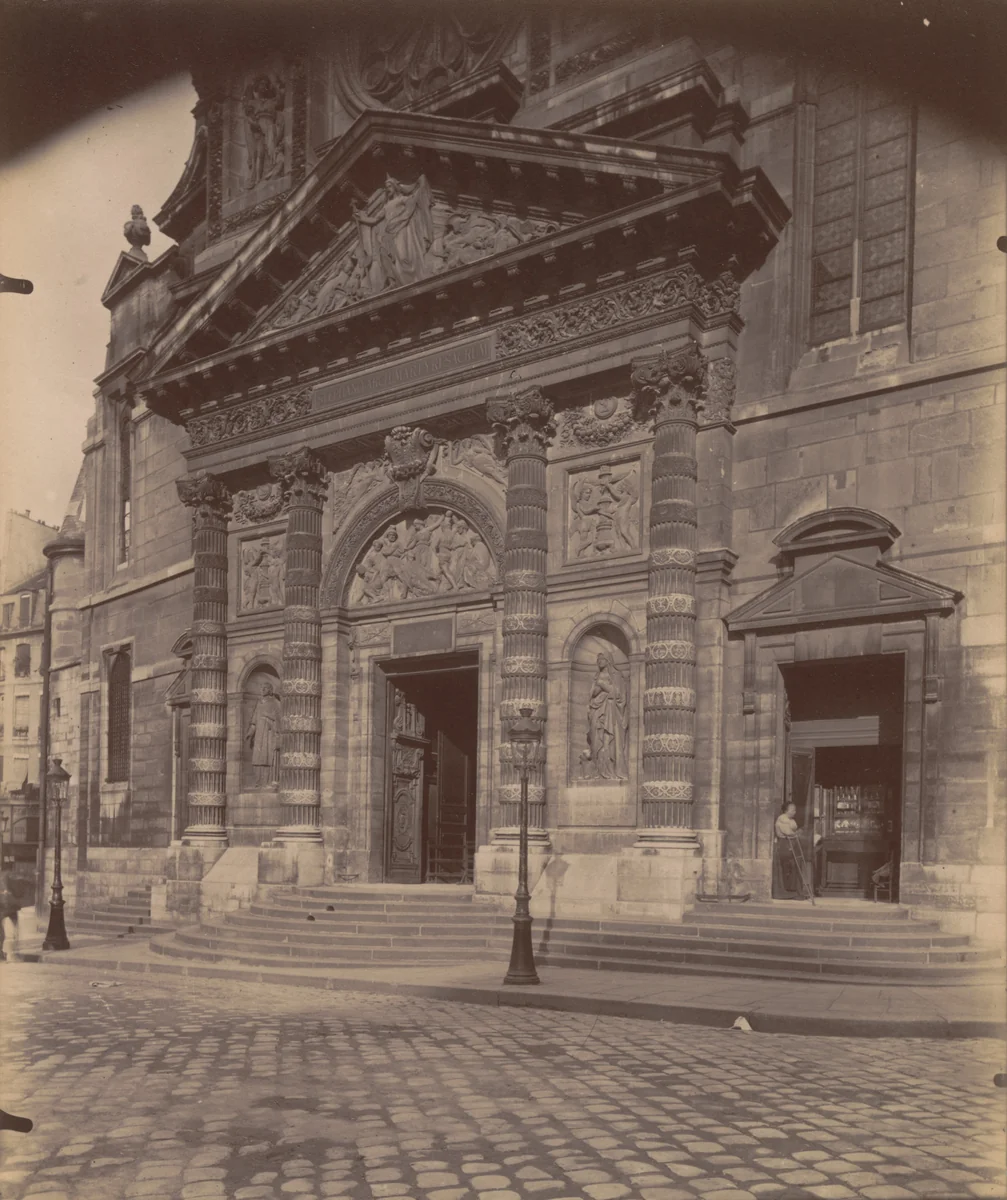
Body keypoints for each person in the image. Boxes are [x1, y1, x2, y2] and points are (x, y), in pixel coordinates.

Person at [246, 680, 281, 788]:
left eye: (265, 688)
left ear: (270, 690)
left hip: (269, 735)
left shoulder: (275, 702)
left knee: (268, 758)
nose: (262, 690)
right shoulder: (259, 703)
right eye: (262, 688)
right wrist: (250, 733)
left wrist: (268, 717)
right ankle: (258, 781)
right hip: (259, 736)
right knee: (258, 758)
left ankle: (268, 781)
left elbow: (279, 719)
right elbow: (254, 722)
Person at [772, 802, 806, 899]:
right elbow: (789, 833)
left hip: (791, 843)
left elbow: (794, 832)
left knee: (795, 866)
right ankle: (789, 891)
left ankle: (795, 890)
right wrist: (797, 833)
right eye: (792, 809)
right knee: (789, 866)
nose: (794, 812)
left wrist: (796, 833)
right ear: (786, 810)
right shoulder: (782, 820)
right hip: (785, 844)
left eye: (795, 809)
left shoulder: (790, 820)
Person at [0, 869, 20, 962]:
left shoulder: (5, 876)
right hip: (5, 906)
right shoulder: (5, 876)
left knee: (2, 932)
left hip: (6, 906)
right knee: (2, 932)